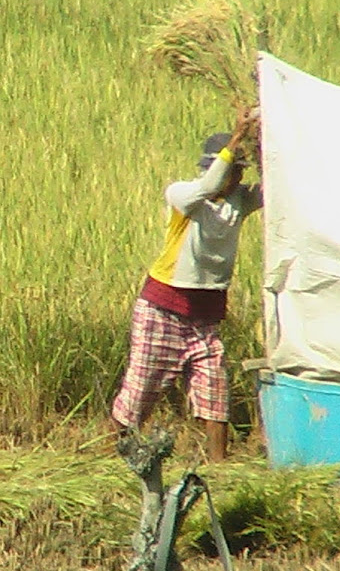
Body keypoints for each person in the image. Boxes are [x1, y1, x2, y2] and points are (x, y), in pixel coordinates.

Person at [111, 110, 262, 462]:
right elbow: (210, 186)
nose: (235, 178)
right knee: (139, 395)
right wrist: (238, 136)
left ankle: (218, 468)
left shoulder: (238, 203)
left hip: (205, 318)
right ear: (213, 168)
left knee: (215, 390)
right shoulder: (184, 195)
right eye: (231, 170)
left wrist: (265, 144)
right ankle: (107, 458)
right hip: (163, 309)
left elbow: (276, 190)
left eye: (240, 171)